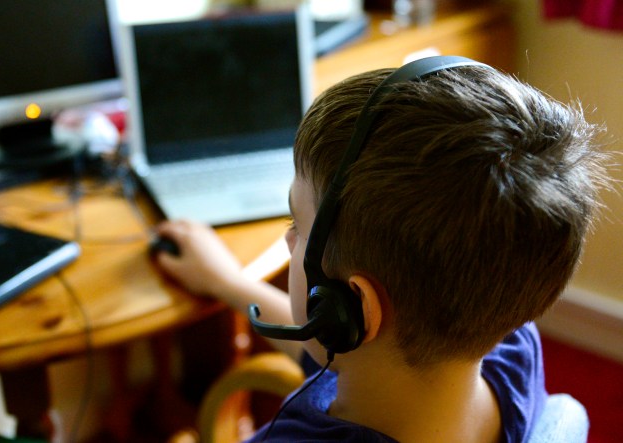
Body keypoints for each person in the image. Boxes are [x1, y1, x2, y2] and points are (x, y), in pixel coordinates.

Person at [151, 59, 611, 442]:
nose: (289, 241)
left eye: (298, 225)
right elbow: (346, 346)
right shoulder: (511, 347)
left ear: (353, 309)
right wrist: (229, 283)